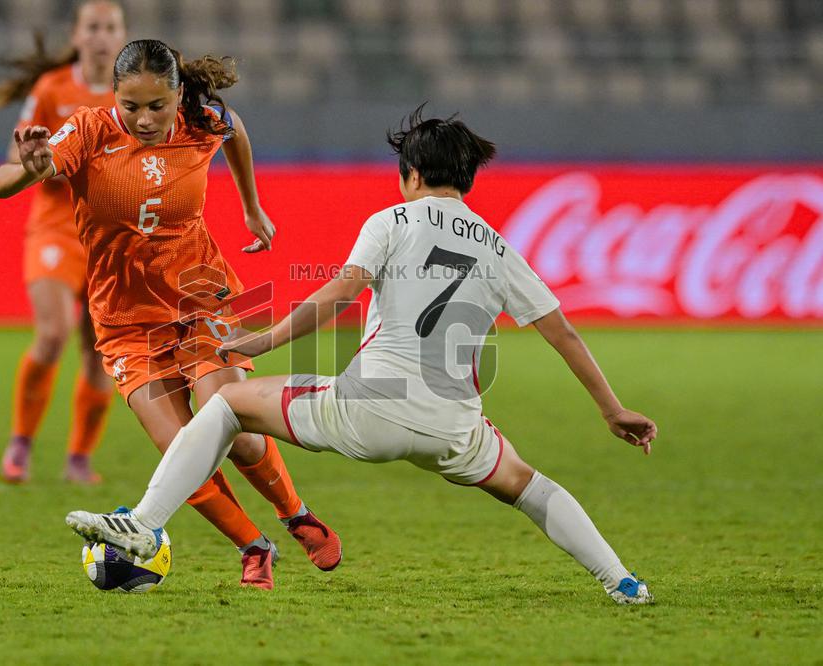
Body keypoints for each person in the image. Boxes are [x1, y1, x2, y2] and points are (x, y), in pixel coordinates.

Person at [65, 107, 659, 604]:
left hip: (368, 410)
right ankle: (624, 581)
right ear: (467, 179)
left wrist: (259, 340)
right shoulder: (500, 248)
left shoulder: (393, 221)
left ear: (410, 174)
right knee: (531, 486)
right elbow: (565, 335)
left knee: (224, 406)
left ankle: (144, 525)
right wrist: (612, 411)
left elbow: (339, 295)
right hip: (455, 427)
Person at [0, 39, 342, 589]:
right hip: (126, 322)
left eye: (158, 106)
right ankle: (253, 546)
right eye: (132, 106)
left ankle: (295, 512)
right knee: (182, 450)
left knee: (236, 428)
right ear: (115, 98)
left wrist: (252, 206)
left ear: (179, 95)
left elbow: (237, 130)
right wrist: (31, 168)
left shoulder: (203, 119)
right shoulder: (88, 131)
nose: (145, 119)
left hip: (201, 297)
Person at [0, 0, 127, 484]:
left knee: (98, 352)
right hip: (55, 228)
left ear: (122, 35)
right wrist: (38, 157)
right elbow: (13, 155)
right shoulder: (52, 88)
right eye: (94, 27)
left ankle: (78, 458)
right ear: (78, 35)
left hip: (108, 238)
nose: (103, 36)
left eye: (111, 27)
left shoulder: (131, 94)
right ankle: (21, 443)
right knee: (51, 333)